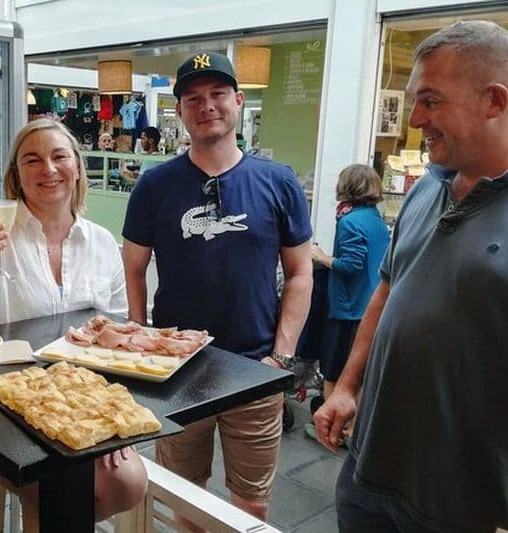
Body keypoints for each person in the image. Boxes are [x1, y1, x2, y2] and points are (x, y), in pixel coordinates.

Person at [313, 21, 508, 533]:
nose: (415, 118)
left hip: (461, 500)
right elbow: (387, 289)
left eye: (431, 101)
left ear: (494, 101)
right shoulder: (428, 188)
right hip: (368, 470)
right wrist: (346, 387)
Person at [122, 51, 313, 524]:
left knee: (252, 503)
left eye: (217, 94)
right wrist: (141, 343)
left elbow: (301, 274)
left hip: (256, 367)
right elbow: (133, 267)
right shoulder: (155, 185)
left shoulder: (279, 182)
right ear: (182, 111)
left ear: (238, 101)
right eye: (193, 98)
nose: (206, 105)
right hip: (178, 372)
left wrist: (282, 358)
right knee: (187, 496)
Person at [0, 118, 146, 528]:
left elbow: (116, 335)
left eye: (59, 156)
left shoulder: (102, 242)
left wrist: (104, 416)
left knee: (129, 482)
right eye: (32, 160)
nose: (48, 169)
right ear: (16, 176)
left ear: (78, 167)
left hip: (79, 396)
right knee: (68, 490)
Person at [304, 164, 389, 443]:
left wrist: (320, 256)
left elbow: (351, 264)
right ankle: (354, 430)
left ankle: (332, 430)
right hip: (371, 305)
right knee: (361, 371)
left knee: (334, 367)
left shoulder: (350, 220)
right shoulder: (375, 218)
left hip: (348, 307)